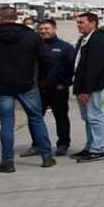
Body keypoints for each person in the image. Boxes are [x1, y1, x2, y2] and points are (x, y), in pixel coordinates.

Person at [0, 7, 56, 172]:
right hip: (28, 84)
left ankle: (8, 161)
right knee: (36, 119)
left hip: (2, 86)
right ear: (17, 17)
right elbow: (47, 60)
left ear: (0, 18)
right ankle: (46, 156)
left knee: (6, 123)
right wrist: (36, 76)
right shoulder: (31, 36)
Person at [23, 19, 75, 157]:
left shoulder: (65, 47)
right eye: (41, 29)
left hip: (57, 89)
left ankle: (63, 144)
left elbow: (71, 67)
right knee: (34, 118)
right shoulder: (32, 47)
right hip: (36, 90)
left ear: (54, 28)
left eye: (46, 28)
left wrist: (64, 83)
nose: (43, 31)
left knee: (61, 117)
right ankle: (36, 145)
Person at [70, 12, 104, 161]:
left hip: (90, 86)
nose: (79, 25)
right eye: (77, 23)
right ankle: (90, 146)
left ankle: (98, 149)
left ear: (93, 23)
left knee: (94, 117)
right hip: (81, 83)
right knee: (88, 118)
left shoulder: (98, 40)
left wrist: (86, 90)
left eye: (82, 22)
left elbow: (94, 68)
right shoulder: (85, 39)